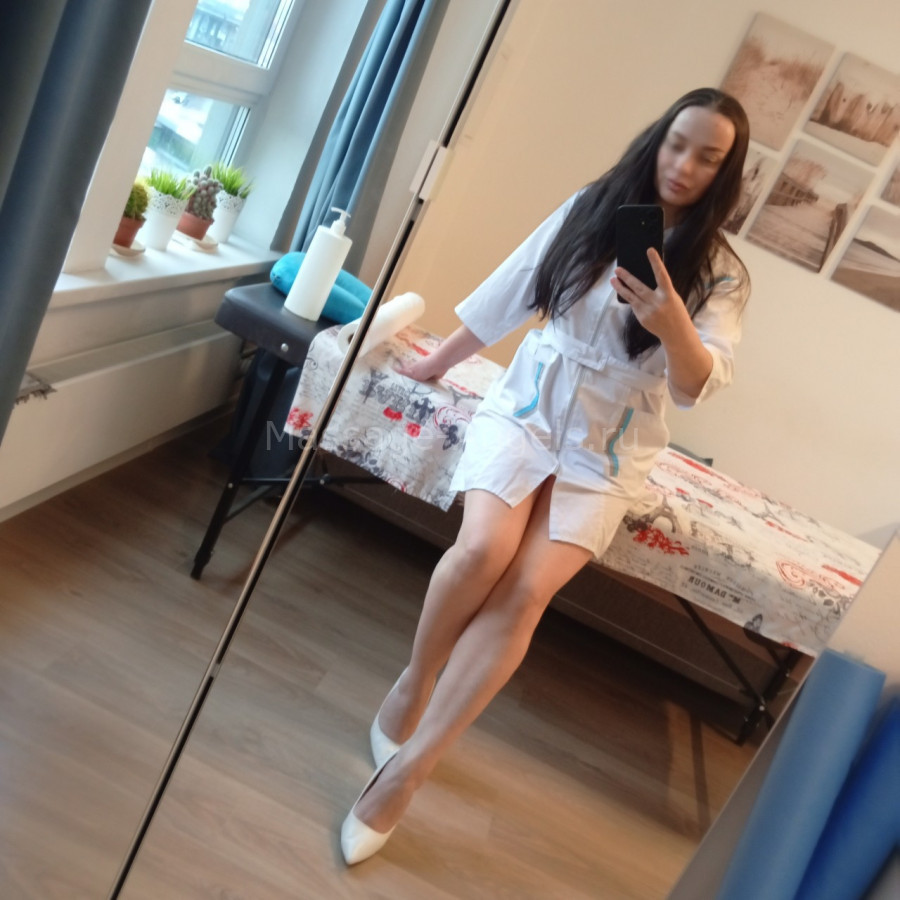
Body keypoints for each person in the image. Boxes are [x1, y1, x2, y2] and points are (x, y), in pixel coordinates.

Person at [340, 87, 751, 865]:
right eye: (678, 143)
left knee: (528, 590)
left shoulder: (722, 274)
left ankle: (410, 770)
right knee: (482, 552)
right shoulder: (591, 209)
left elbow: (696, 385)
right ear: (658, 138)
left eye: (708, 157)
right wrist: (434, 363)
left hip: (610, 444)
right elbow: (511, 292)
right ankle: (416, 680)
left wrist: (673, 324)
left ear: (725, 172)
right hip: (530, 405)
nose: (684, 165)